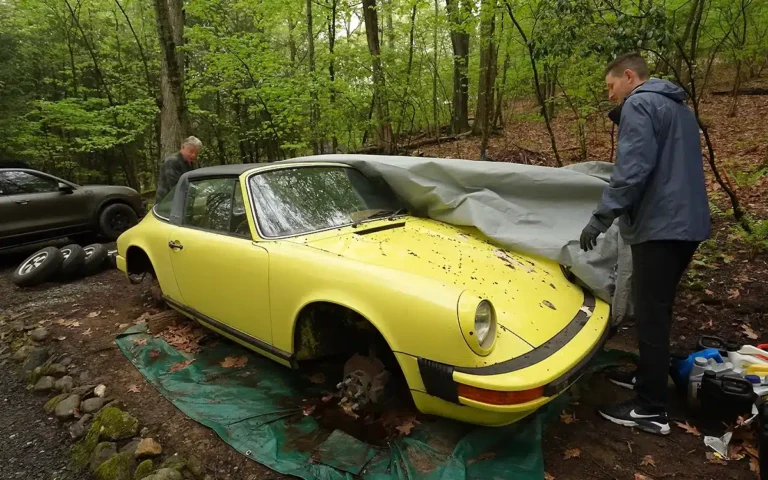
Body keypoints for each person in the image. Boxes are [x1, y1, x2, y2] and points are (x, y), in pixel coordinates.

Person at [579, 53, 710, 435]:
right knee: (659, 309)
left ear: (629, 76)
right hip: (688, 224)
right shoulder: (678, 108)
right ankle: (647, 379)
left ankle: (651, 409)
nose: (610, 95)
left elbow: (633, 168)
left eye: (610, 86)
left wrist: (602, 217)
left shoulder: (640, 103)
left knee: (651, 316)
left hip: (661, 224)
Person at [155, 136, 202, 203]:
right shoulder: (171, 161)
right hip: (165, 204)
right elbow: (175, 186)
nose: (194, 155)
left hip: (181, 202)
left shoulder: (189, 162)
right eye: (191, 151)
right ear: (183, 147)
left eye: (196, 153)